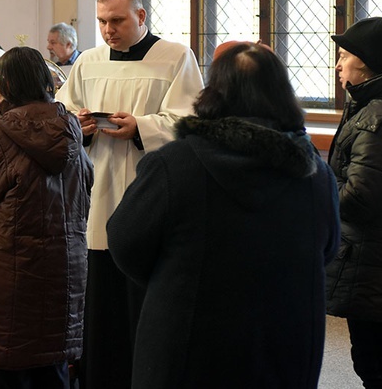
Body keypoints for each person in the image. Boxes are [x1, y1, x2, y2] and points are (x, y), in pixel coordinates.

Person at [107, 42, 340, 388]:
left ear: (214, 93)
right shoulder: (314, 174)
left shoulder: (174, 164)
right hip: (284, 336)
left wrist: (171, 278)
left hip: (188, 337)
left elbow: (126, 242)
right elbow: (328, 249)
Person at [54, 0, 204, 388]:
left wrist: (143, 127)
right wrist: (79, 125)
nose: (108, 30)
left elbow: (192, 123)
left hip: (152, 193)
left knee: (147, 299)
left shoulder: (175, 57)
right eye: (102, 21)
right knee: (100, 303)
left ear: (140, 15)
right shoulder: (88, 61)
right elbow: (63, 111)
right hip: (98, 195)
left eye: (117, 20)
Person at [0, 46, 94, 389]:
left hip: (12, 274)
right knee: (51, 368)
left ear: (6, 85)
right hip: (64, 272)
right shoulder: (72, 130)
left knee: (9, 369)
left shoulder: (1, 136)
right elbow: (86, 186)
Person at [326, 17, 382, 389]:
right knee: (374, 356)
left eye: (344, 55)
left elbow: (360, 200)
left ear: (363, 63)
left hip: (373, 256)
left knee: (372, 360)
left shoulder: (377, 116)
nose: (338, 64)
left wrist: (318, 184)